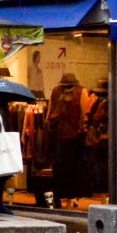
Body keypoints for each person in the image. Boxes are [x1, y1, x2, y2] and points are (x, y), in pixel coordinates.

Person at [46, 72, 87, 207]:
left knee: (60, 170)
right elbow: (85, 114)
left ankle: (60, 198)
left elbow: (49, 115)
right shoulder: (82, 92)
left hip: (59, 138)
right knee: (74, 170)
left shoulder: (55, 92)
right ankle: (71, 198)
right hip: (75, 138)